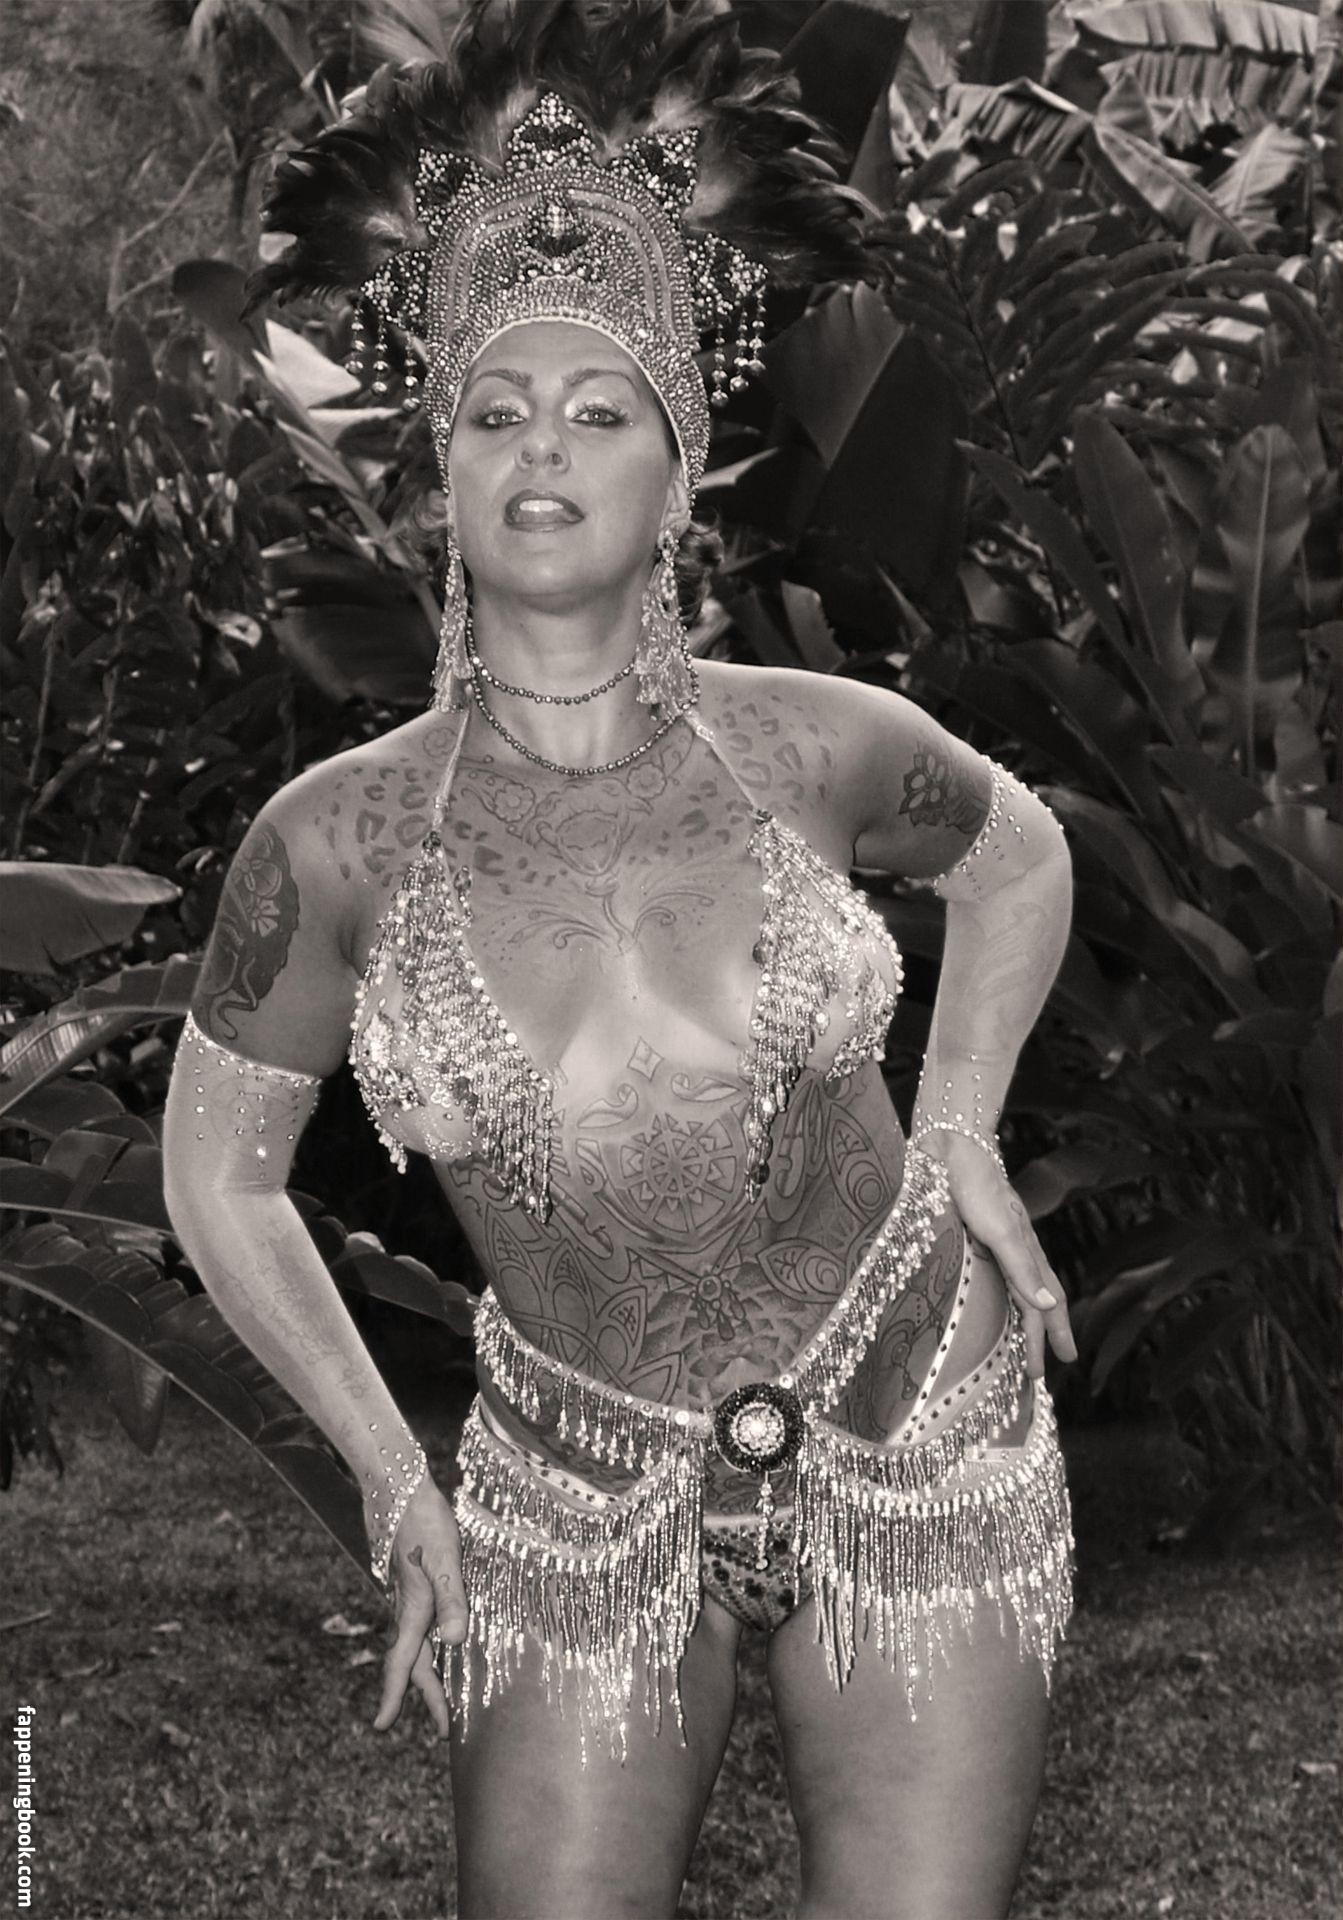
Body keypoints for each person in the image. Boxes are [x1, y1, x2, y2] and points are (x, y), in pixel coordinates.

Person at [162, 4, 1077, 1916]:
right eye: (497, 411)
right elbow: (221, 1174)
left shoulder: (816, 745)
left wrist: (962, 1128)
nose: (544, 449)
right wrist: (391, 1474)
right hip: (572, 1498)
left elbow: (1019, 857)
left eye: (600, 411)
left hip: (920, 1424)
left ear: (679, 464)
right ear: (441, 464)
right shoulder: (333, 844)